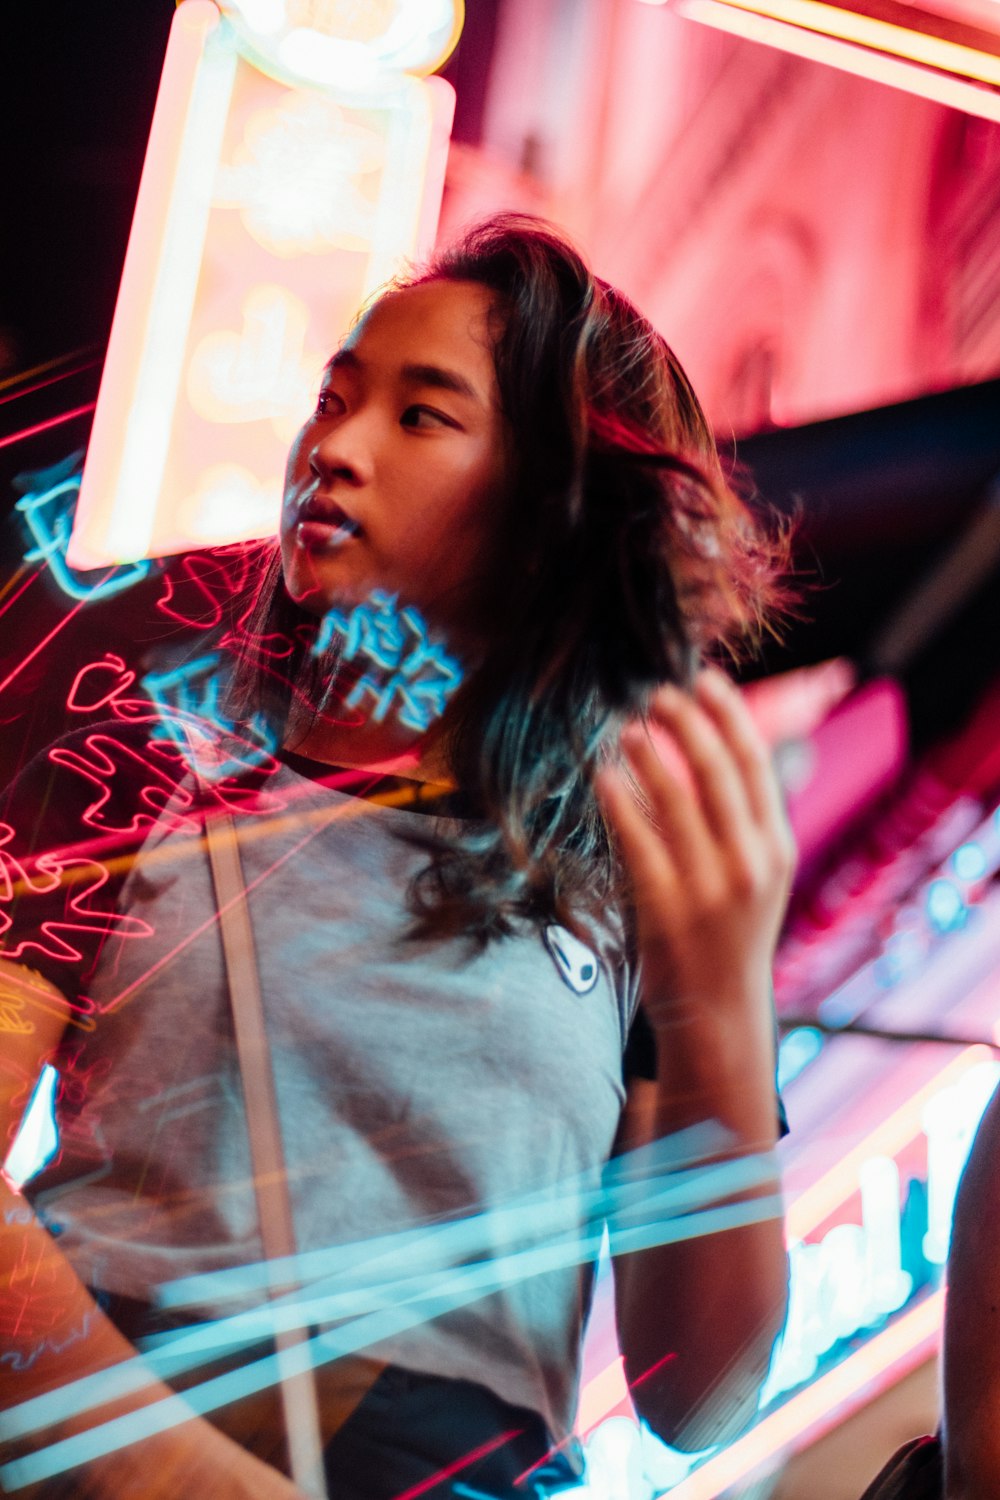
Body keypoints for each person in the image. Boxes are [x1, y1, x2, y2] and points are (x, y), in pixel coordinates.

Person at [0, 214, 794, 1498]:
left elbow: (695, 1395)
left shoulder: (642, 871)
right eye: (334, 398)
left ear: (555, 509)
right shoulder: (151, 752)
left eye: (422, 417)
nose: (334, 449)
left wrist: (720, 1018)